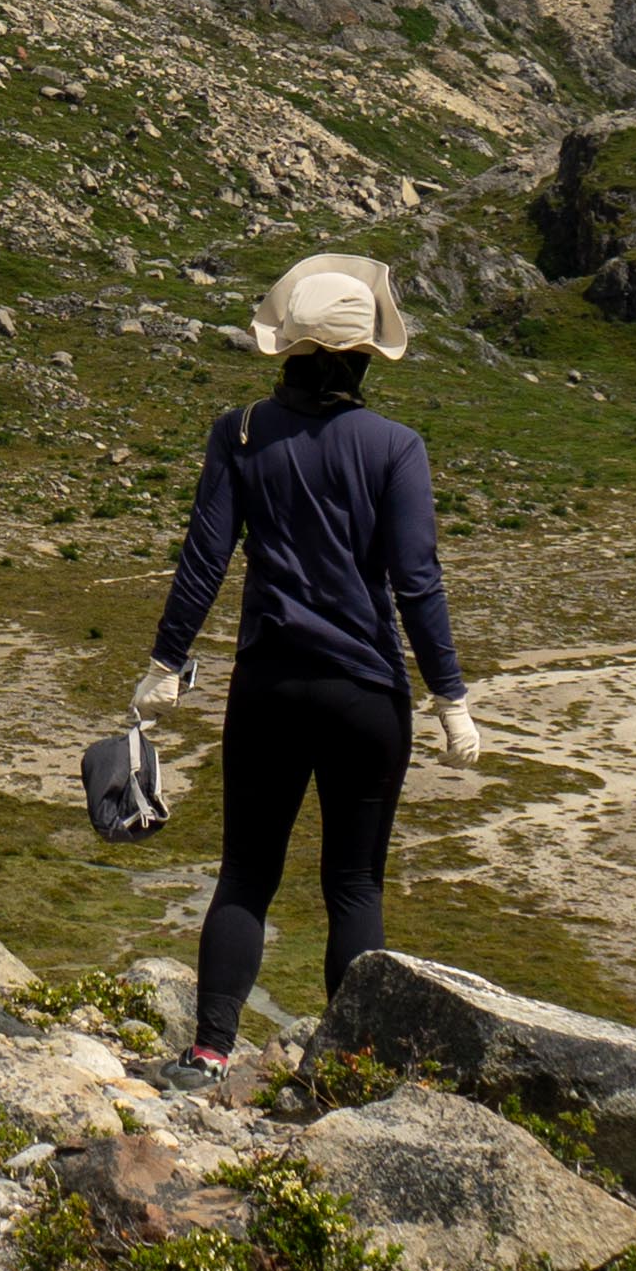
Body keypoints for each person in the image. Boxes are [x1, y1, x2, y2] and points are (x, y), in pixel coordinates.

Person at [128, 250, 478, 1082]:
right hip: (367, 692)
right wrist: (450, 695)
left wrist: (167, 661)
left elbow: (204, 559)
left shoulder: (241, 432)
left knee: (247, 871)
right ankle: (350, 1068)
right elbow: (416, 578)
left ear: (288, 347)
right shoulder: (397, 447)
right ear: (363, 358)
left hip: (270, 687)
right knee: (354, 885)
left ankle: (210, 1050)